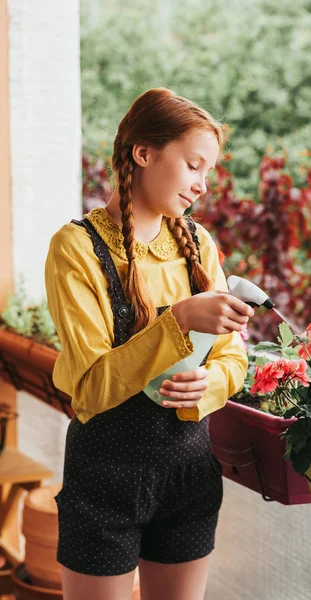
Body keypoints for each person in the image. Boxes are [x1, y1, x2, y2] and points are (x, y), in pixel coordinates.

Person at [45, 87, 253, 600]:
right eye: (193, 166)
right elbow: (90, 389)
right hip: (104, 480)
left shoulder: (199, 246)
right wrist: (178, 319)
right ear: (143, 153)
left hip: (190, 476)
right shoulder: (77, 249)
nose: (203, 185)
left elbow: (233, 358)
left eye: (208, 173)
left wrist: (205, 386)